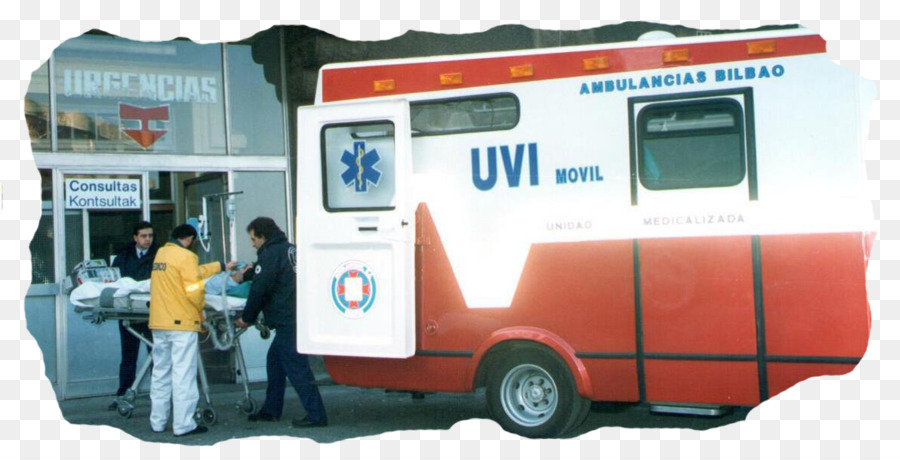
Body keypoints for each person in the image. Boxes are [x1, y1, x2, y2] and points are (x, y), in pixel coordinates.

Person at [235, 217, 328, 428]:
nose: (253, 244)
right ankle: (271, 410)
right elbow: (278, 273)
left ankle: (316, 415)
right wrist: (251, 271)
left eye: (253, 239)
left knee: (296, 367)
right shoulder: (290, 250)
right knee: (275, 361)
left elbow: (260, 289)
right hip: (300, 315)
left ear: (262, 236)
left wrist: (246, 318)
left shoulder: (269, 255)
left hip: (287, 320)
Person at [149, 224, 236, 436]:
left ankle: (157, 422)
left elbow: (193, 272)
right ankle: (183, 424)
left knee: (160, 372)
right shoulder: (186, 256)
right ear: (189, 239)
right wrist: (200, 312)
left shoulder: (162, 254)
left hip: (159, 323)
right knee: (183, 374)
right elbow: (194, 289)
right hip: (181, 324)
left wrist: (221, 266)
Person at [108, 221, 157, 411]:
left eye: (150, 236)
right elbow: (115, 281)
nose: (148, 240)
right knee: (129, 355)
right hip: (128, 311)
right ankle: (122, 395)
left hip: (151, 311)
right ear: (135, 238)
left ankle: (159, 394)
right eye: (144, 236)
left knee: (155, 354)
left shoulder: (158, 256)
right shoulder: (123, 257)